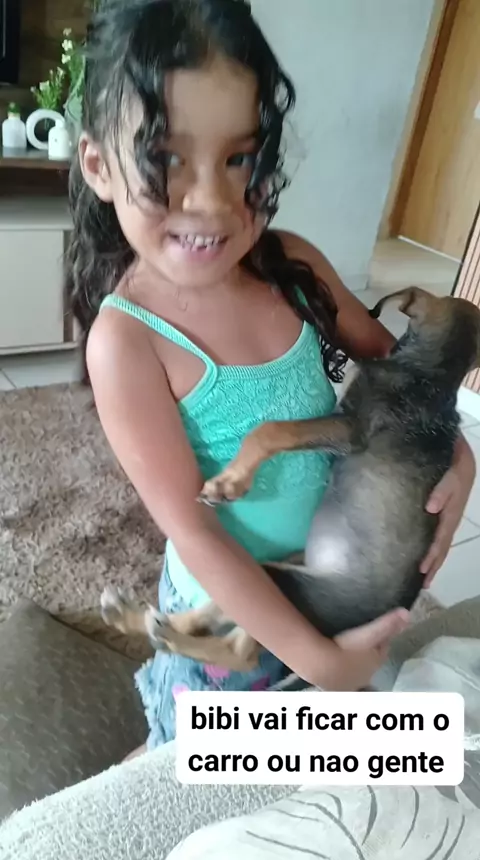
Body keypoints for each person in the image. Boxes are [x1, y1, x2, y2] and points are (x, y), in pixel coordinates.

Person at [65, 0, 475, 755]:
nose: (213, 201)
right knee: (206, 764)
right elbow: (193, 528)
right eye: (165, 158)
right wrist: (319, 661)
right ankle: (159, 734)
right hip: (229, 614)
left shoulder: (293, 265)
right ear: (98, 166)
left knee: (369, 752)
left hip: (326, 579)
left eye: (239, 159)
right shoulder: (127, 342)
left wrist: (461, 457)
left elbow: (408, 376)